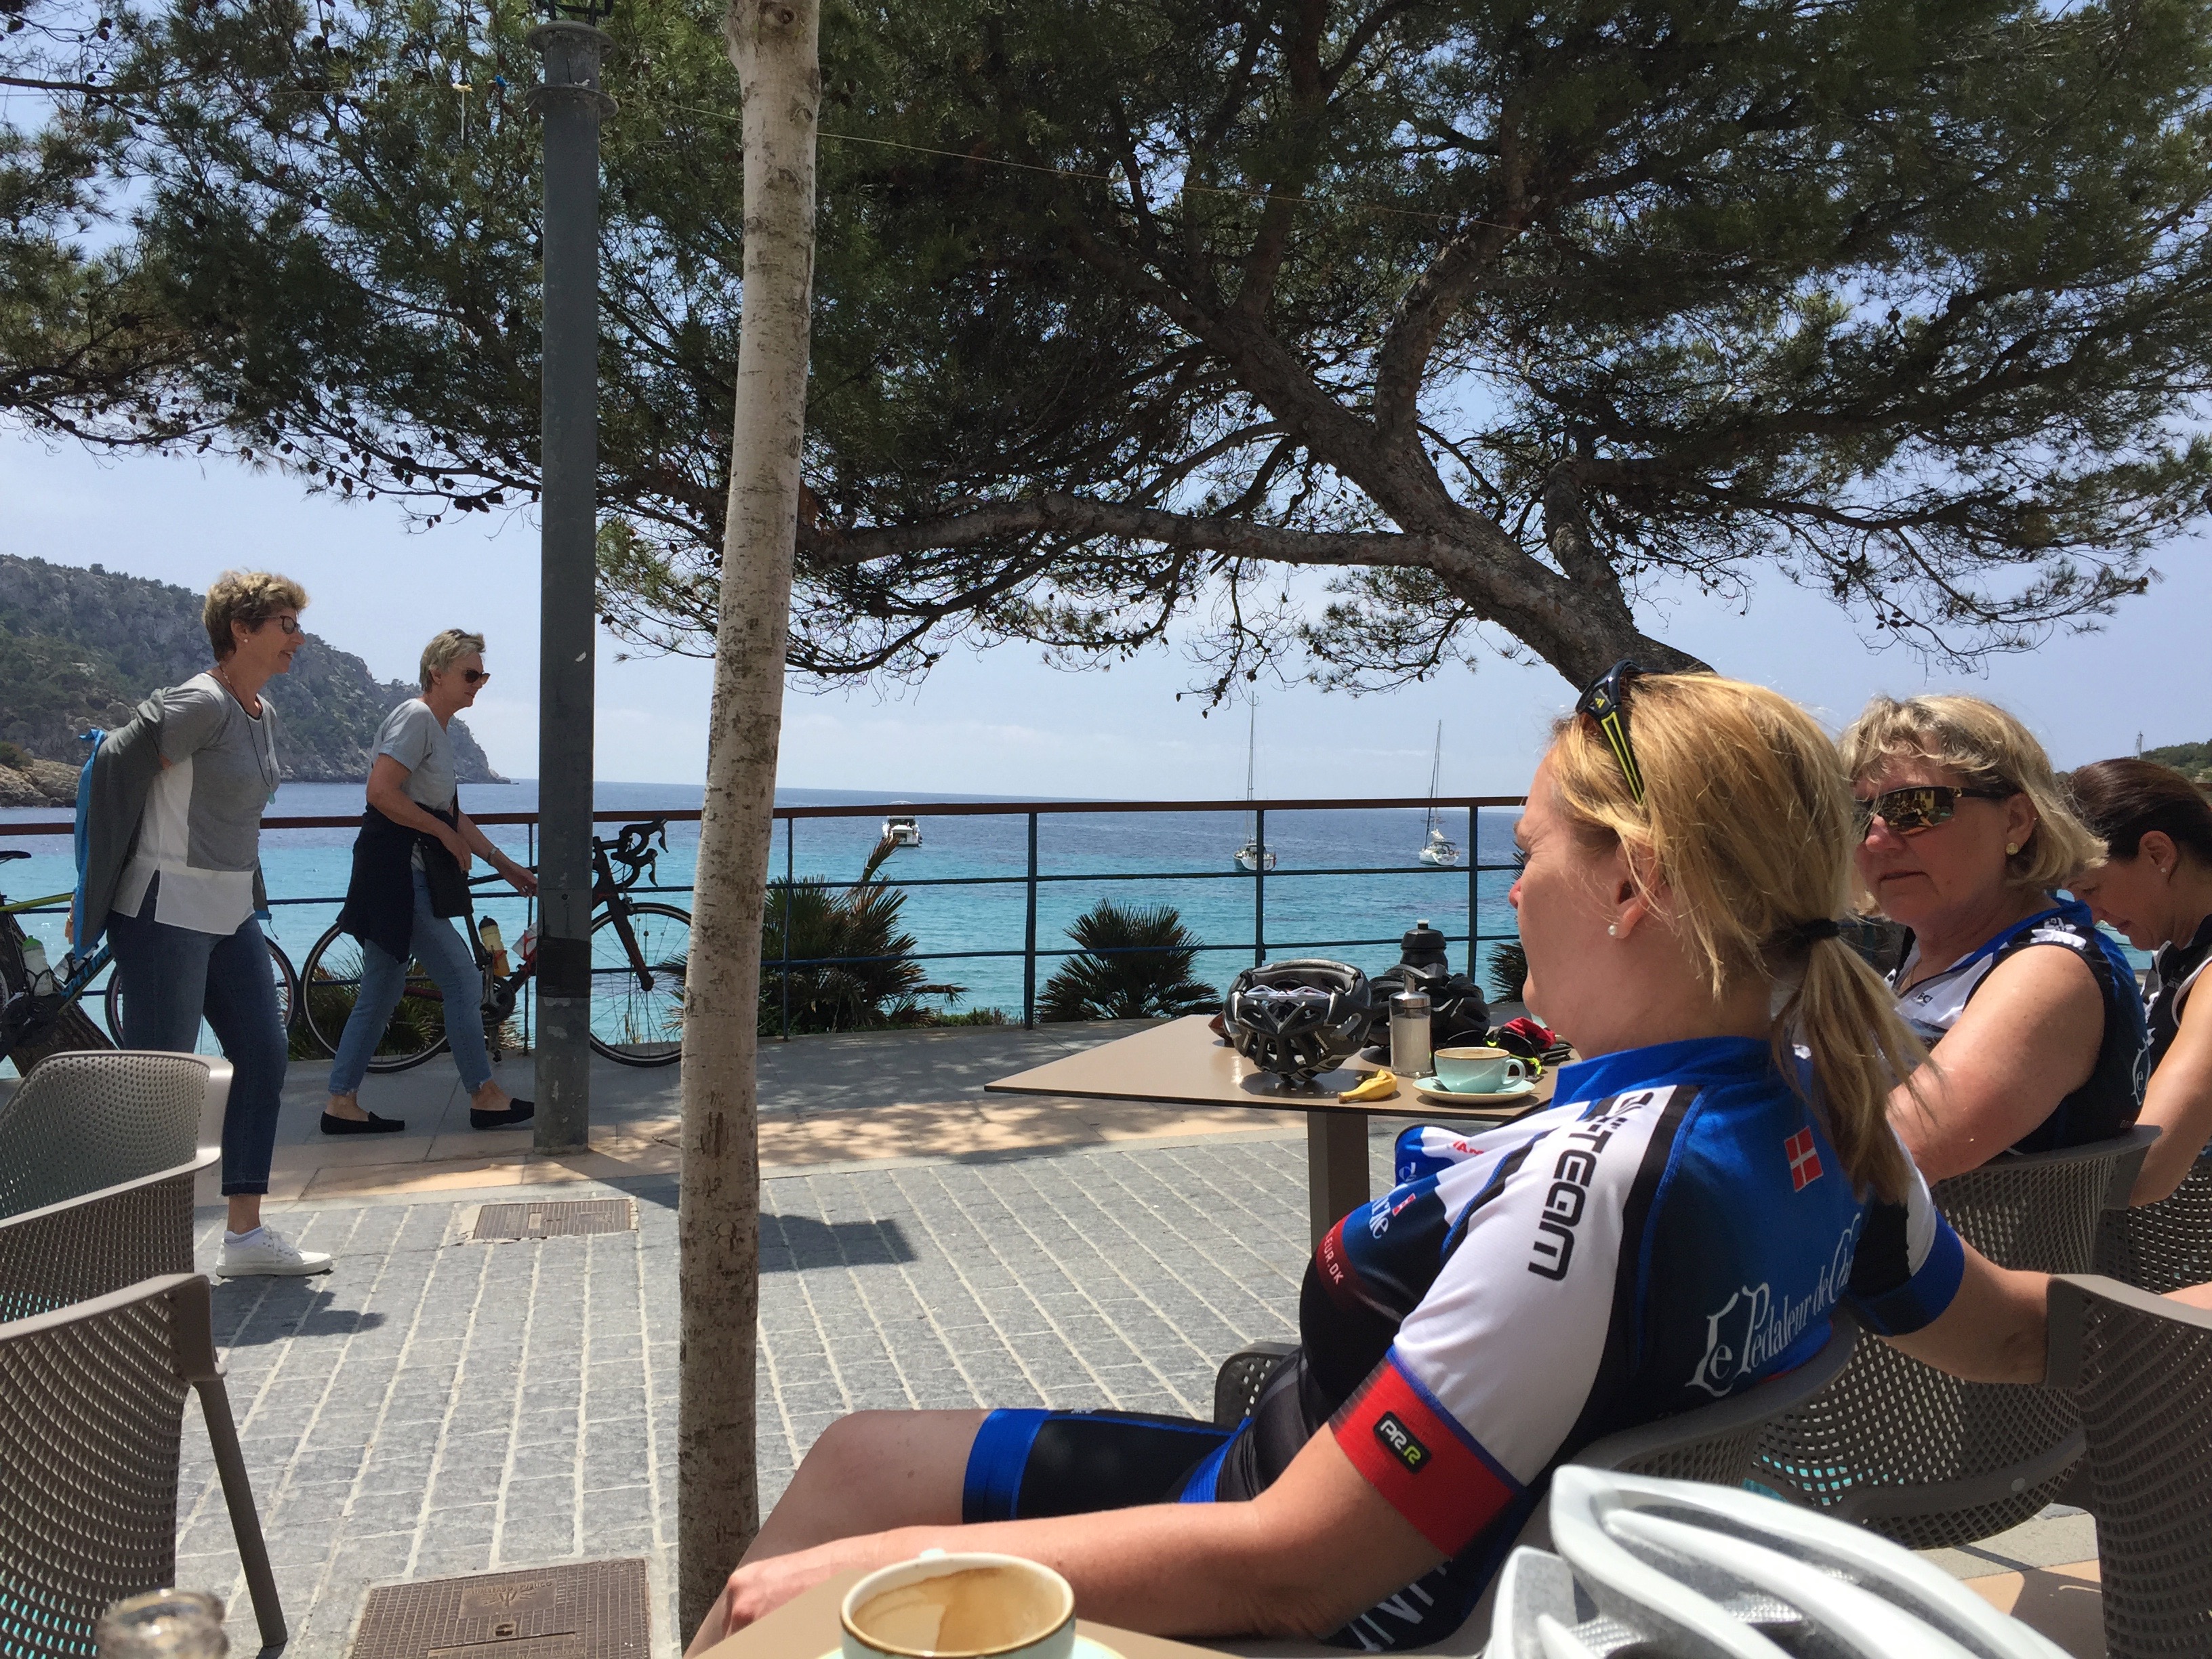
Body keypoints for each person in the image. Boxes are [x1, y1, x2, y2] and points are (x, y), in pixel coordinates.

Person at [687, 668, 2053, 1654]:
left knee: (802, 1569)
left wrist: (889, 1568)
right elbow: (1998, 1333)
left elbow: (1298, 1571)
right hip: (1394, 1524)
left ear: (1631, 884)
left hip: (1302, 1590)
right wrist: (2149, 1319)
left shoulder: (1592, 1194)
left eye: (1528, 853)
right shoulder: (1831, 1112)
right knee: (860, 1454)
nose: (1508, 891)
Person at [99, 571, 330, 1277]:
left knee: (262, 1055)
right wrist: (97, 883)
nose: (298, 638)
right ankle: (140, 1258)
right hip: (165, 909)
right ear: (242, 629)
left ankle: (245, 1239)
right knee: (162, 1083)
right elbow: (113, 765)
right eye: (287, 624)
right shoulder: (200, 702)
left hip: (230, 911)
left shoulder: (261, 711)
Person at [1841, 694, 2145, 1180]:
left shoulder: (2048, 972)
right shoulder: (1930, 954)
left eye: (1915, 806)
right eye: (1859, 816)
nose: (1877, 840)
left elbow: (1877, 1161)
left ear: (2016, 820)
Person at [325, 630, 537, 1133]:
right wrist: (441, 833)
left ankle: (340, 1102)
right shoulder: (416, 718)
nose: (478, 683)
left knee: (381, 990)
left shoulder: (436, 728)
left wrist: (502, 863)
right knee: (462, 980)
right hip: (399, 875)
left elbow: (448, 812)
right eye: (470, 674)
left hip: (399, 872)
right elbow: (381, 791)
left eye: (483, 675)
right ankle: (485, 1095)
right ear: (436, 674)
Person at [2065, 759, 2212, 1206]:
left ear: (2158, 854)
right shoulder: (2177, 954)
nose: (2090, 916)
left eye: (2091, 890)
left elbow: (2140, 1171)